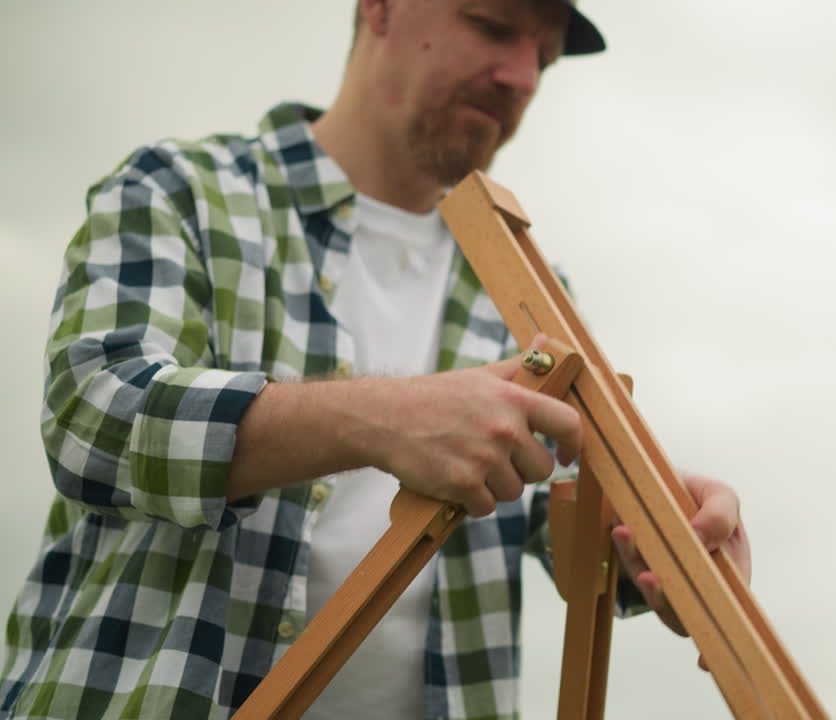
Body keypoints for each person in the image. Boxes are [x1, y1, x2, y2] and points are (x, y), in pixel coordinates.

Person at [0, 2, 750, 718]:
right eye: (492, 26)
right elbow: (94, 416)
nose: (522, 76)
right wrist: (384, 417)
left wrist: (656, 534)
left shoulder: (532, 299)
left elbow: (558, 520)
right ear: (382, 5)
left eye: (545, 59)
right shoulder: (182, 192)